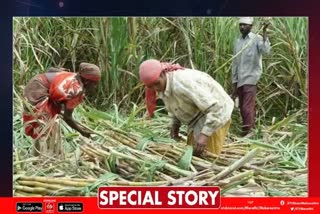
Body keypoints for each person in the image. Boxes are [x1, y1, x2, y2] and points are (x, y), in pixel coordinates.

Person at [139, 59, 234, 156]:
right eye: (151, 86)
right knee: (192, 153)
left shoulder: (181, 83)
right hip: (197, 115)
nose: (156, 88)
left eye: (157, 83)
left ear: (163, 73)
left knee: (206, 156)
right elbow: (175, 105)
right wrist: (175, 125)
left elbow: (215, 107)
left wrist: (204, 135)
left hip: (217, 112)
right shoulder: (163, 86)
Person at [23, 62, 101, 155]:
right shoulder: (75, 90)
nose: (95, 87)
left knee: (44, 126)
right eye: (95, 84)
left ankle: (38, 156)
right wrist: (82, 131)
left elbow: (51, 71)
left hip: (36, 82)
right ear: (87, 81)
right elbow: (67, 117)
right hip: (37, 90)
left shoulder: (74, 76)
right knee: (45, 127)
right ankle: (43, 157)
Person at [231, 17, 271, 136]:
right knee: (243, 107)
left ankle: (248, 132)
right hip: (239, 79)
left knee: (246, 106)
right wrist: (234, 81)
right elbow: (235, 63)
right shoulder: (237, 42)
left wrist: (264, 32)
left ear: (251, 26)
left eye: (245, 25)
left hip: (251, 78)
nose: (242, 27)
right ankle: (247, 129)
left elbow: (266, 51)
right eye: (240, 25)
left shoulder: (256, 39)